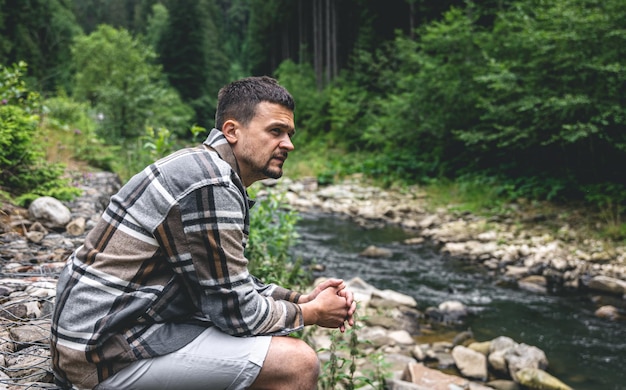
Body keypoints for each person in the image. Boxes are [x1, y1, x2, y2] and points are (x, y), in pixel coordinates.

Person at [50, 76, 356, 390]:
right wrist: (312, 312)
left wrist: (300, 299)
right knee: (297, 363)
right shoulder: (211, 184)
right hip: (101, 356)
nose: (289, 144)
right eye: (275, 131)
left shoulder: (206, 169)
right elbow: (237, 313)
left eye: (289, 134)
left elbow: (225, 282)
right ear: (232, 131)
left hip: (105, 336)